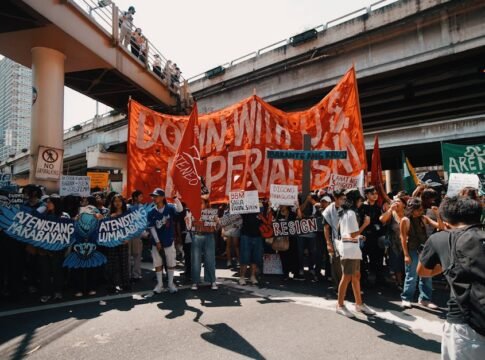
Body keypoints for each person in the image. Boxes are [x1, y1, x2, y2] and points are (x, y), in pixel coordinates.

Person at [418, 196, 485, 359]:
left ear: (445, 221)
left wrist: (448, 265)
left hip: (466, 324)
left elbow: (423, 272)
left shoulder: (439, 239)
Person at [334, 189, 375, 317]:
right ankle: (340, 305)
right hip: (350, 249)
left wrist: (358, 235)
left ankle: (359, 303)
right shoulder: (351, 213)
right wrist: (365, 225)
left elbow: (346, 232)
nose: (361, 202)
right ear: (356, 200)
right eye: (360, 200)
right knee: (347, 277)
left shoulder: (345, 212)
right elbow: (352, 234)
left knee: (355, 276)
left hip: (350, 247)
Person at [400, 197, 441, 309]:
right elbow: (403, 238)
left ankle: (425, 299)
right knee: (411, 275)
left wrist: (437, 214)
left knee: (426, 275)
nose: (421, 211)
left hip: (424, 250)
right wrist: (406, 255)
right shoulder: (405, 220)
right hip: (412, 250)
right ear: (412, 209)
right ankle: (406, 298)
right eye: (419, 209)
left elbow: (440, 226)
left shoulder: (423, 218)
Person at [147, 188, 183, 294]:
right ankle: (160, 284)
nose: (154, 198)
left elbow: (180, 210)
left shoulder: (170, 208)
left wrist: (175, 198)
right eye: (153, 196)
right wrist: (157, 242)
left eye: (156, 196)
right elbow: (152, 227)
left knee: (171, 262)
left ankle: (171, 284)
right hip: (156, 243)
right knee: (157, 263)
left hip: (168, 240)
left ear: (162, 197)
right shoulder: (151, 211)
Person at [38, 194, 67, 303]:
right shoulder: (43, 214)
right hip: (43, 248)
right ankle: (45, 293)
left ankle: (57, 292)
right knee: (44, 272)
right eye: (47, 202)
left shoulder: (64, 216)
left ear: (56, 204)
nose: (47, 204)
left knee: (57, 271)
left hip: (57, 249)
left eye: (50, 202)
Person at [379, 192, 409, 290]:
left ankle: (408, 282)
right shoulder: (391, 213)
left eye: (398, 201)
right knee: (397, 264)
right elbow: (382, 219)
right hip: (395, 243)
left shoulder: (408, 213)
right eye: (394, 201)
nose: (396, 203)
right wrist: (390, 209)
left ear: (404, 204)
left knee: (408, 264)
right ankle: (399, 283)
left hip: (409, 243)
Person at [189, 197, 219, 290]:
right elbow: (189, 226)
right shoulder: (192, 212)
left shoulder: (211, 212)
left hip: (209, 236)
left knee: (210, 259)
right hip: (197, 236)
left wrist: (217, 222)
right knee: (195, 260)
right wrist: (188, 220)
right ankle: (195, 281)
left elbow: (217, 228)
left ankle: (212, 281)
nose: (199, 204)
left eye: (201, 202)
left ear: (206, 203)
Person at [105, 194, 131, 293]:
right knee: (111, 263)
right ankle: (111, 285)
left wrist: (128, 238)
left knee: (124, 263)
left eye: (119, 201)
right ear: (112, 203)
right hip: (112, 242)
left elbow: (131, 227)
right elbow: (104, 226)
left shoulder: (127, 213)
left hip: (124, 241)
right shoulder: (109, 213)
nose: (117, 203)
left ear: (122, 202)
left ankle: (125, 284)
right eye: (115, 201)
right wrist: (110, 218)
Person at [361, 186, 385, 285]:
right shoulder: (362, 207)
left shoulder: (379, 207)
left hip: (377, 237)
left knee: (378, 258)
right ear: (366, 195)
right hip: (365, 236)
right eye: (372, 194)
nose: (375, 196)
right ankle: (364, 279)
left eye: (376, 193)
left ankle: (379, 279)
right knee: (363, 259)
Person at [323, 189, 347, 288]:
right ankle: (337, 287)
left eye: (344, 199)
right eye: (341, 199)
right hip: (334, 240)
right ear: (335, 198)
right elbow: (326, 228)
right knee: (335, 264)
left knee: (346, 264)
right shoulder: (328, 210)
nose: (343, 201)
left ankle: (346, 287)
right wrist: (328, 243)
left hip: (346, 239)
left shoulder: (346, 208)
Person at [239, 210, 264, 285]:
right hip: (246, 234)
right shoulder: (245, 207)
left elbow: (265, 218)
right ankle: (242, 277)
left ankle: (252, 276)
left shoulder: (262, 207)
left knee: (255, 257)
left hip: (258, 235)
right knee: (245, 256)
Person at [128, 190, 144, 282]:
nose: (142, 198)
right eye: (140, 196)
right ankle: (135, 274)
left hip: (133, 234)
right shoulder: (129, 207)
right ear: (135, 197)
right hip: (134, 234)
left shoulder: (128, 207)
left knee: (133, 255)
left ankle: (131, 274)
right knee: (135, 255)